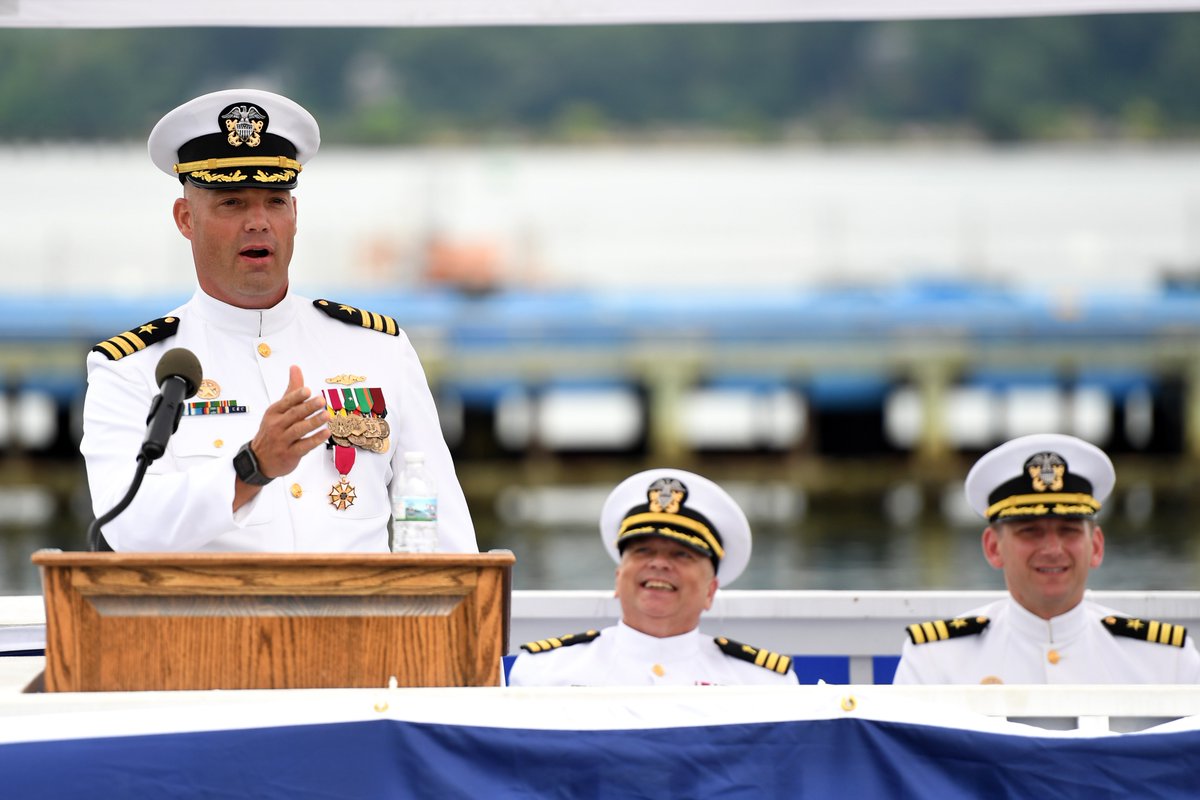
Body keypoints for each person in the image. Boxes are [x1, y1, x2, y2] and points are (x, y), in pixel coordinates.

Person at [80, 88, 476, 553]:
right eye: (231, 203)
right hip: (215, 625)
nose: (258, 222)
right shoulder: (133, 368)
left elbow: (444, 526)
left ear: (294, 214)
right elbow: (128, 528)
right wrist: (251, 467)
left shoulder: (377, 349)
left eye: (274, 200)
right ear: (186, 218)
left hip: (363, 623)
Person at [894, 433, 1199, 684]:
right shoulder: (934, 661)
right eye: (1030, 531)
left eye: (1069, 530)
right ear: (992, 547)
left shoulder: (1166, 661)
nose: (1053, 548)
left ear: (1096, 546)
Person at [506, 468, 796, 686]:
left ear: (711, 591)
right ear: (618, 577)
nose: (659, 563)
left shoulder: (762, 683)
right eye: (643, 550)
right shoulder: (543, 673)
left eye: (682, 554)